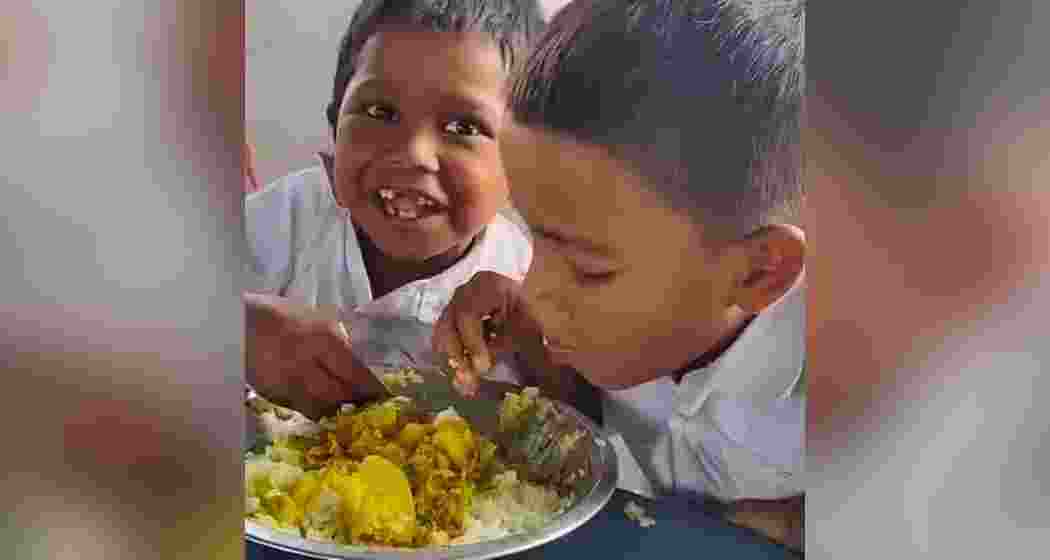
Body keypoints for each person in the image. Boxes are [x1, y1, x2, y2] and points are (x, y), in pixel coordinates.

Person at [433, 0, 805, 549]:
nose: (535, 289)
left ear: (758, 273)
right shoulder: (635, 319)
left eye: (588, 268)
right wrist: (536, 354)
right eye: (536, 236)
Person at [244, 0, 545, 419]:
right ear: (335, 129)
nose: (413, 154)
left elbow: (581, 417)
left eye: (464, 127)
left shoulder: (527, 278)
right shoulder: (284, 221)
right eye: (380, 112)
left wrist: (537, 344)